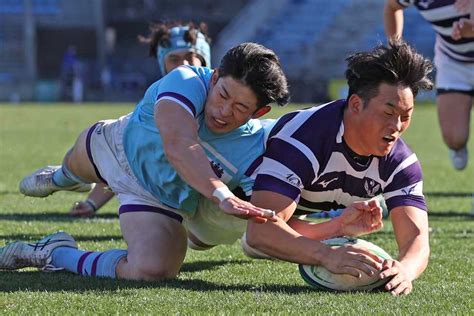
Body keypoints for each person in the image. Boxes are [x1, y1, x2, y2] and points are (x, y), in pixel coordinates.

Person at [0, 43, 294, 281]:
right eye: (223, 95)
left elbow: (275, 214)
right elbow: (179, 143)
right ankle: (59, 179)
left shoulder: (257, 144)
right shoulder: (187, 79)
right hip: (115, 149)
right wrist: (221, 194)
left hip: (156, 197)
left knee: (154, 269)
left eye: (240, 107)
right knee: (71, 169)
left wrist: (329, 236)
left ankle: (55, 253)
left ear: (259, 112)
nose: (223, 111)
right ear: (215, 77)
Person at [180, 40, 433, 296]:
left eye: (406, 115)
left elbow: (417, 238)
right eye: (388, 113)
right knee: (196, 240)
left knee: (274, 232)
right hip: (228, 203)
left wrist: (405, 270)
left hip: (282, 211)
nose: (397, 126)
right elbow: (261, 231)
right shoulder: (304, 140)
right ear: (356, 105)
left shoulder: (401, 162)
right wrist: (326, 255)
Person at [70, 21, 212, 217]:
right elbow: (126, 159)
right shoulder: (156, 108)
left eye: (191, 57)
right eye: (174, 59)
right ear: (162, 63)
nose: (183, 66)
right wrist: (93, 203)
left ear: (205, 61)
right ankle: (61, 177)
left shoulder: (222, 107)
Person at [384, 0, 474, 170]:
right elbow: (392, 7)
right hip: (454, 62)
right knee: (454, 138)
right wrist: (395, 49)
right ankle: (457, 147)